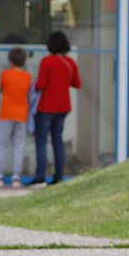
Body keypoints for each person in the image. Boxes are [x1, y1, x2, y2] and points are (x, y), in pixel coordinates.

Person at [28, 30, 81, 185]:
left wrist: (33, 84)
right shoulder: (70, 63)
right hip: (63, 107)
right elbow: (77, 84)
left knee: (41, 142)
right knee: (58, 141)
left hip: (46, 107)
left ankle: (40, 176)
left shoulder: (47, 61)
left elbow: (41, 85)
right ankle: (58, 176)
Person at [0, 47, 32, 186]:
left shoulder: (5, 74)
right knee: (18, 146)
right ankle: (16, 177)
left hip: (6, 113)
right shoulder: (27, 76)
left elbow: (2, 88)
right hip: (21, 114)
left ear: (10, 62)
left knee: (1, 146)